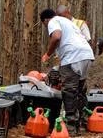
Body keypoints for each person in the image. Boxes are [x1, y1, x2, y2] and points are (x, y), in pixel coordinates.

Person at [40, 8, 95, 136]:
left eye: (44, 24)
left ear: (46, 20)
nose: (46, 27)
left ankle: (70, 128)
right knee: (79, 91)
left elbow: (56, 36)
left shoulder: (53, 21)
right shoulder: (69, 22)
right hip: (86, 55)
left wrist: (48, 54)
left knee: (69, 92)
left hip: (73, 57)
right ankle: (79, 125)